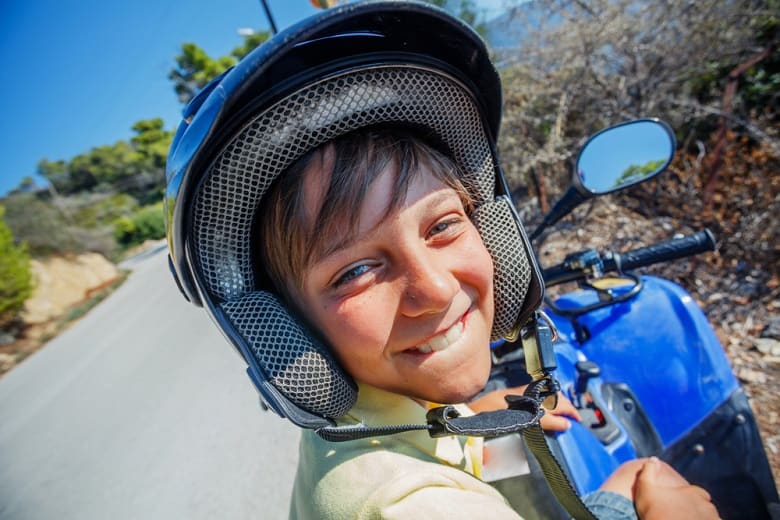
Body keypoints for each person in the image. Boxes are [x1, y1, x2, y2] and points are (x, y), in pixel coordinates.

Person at [164, 2, 719, 519]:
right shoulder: (406, 506)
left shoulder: (365, 427)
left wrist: (469, 427)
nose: (432, 289)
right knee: (657, 477)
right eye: (355, 270)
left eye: (443, 226)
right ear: (287, 331)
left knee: (633, 473)